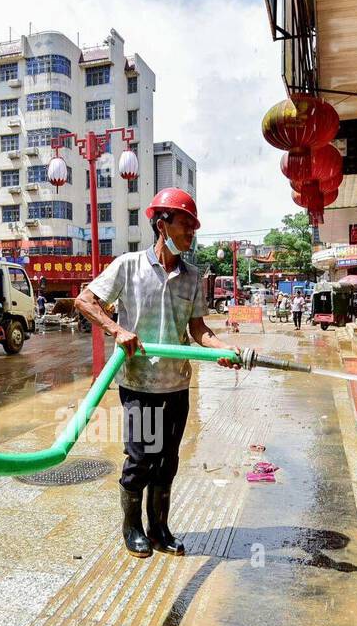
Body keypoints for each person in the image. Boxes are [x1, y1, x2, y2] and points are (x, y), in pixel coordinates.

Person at [74, 188, 240, 559]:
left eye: (194, 229)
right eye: (186, 226)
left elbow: (199, 329)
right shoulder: (128, 266)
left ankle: (159, 528)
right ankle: (131, 528)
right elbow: (85, 300)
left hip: (177, 385)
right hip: (139, 384)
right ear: (162, 224)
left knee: (168, 460)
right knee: (142, 458)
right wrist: (117, 330)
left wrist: (222, 351)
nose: (191, 234)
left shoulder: (192, 277)